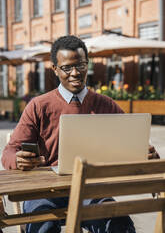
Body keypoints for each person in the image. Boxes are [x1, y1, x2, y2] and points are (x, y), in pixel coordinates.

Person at [1, 35, 159, 233]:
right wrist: (17, 159)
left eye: (81, 65)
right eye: (67, 68)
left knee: (119, 225)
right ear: (55, 70)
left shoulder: (106, 105)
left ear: (88, 65)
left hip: (90, 191)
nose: (75, 73)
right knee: (44, 228)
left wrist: (143, 154)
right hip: (43, 192)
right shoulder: (38, 106)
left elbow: (131, 144)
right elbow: (9, 151)